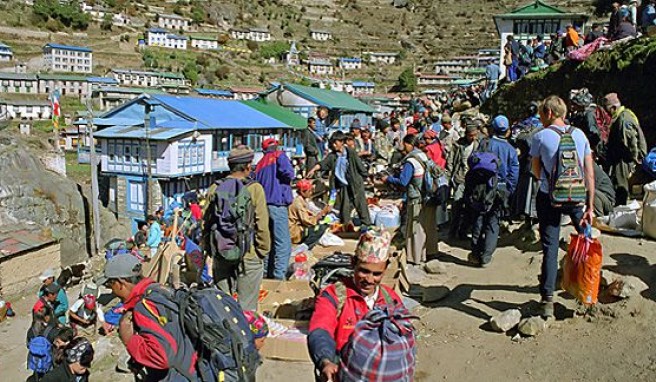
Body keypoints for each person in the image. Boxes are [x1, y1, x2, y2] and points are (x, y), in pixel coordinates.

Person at [308, 229, 408, 382]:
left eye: (376, 274)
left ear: (385, 270)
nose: (369, 279)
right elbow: (320, 330)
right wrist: (326, 361)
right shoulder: (334, 295)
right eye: (363, 271)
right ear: (353, 263)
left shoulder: (390, 298)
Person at [530, 95, 595, 318]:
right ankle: (589, 289)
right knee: (586, 239)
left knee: (550, 248)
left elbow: (536, 172)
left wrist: (550, 182)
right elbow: (589, 173)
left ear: (549, 113)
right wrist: (590, 205)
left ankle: (547, 299)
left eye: (541, 114)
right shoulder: (579, 135)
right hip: (577, 197)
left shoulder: (539, 137)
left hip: (550, 198)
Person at [97, 254, 198, 380]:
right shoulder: (158, 290)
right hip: (193, 366)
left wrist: (129, 339)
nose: (112, 290)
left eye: (110, 284)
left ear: (120, 282)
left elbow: (161, 357)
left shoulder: (143, 306)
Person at [211, 145, 271, 309]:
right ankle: (245, 332)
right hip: (249, 253)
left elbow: (207, 223)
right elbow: (262, 224)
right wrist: (262, 251)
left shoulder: (215, 188)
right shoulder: (254, 188)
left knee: (222, 304)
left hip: (222, 252)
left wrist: (212, 251)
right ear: (247, 166)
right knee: (247, 306)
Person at [469, 116, 519, 268]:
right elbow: (514, 172)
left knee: (478, 218)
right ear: (508, 131)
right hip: (500, 189)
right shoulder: (510, 149)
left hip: (481, 187)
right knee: (493, 222)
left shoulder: (485, 143)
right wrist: (509, 190)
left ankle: (476, 253)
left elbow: (472, 162)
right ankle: (487, 256)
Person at [306, 131, 372, 230]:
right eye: (332, 143)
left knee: (360, 203)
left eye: (335, 142)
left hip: (355, 183)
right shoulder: (333, 156)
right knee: (345, 205)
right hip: (343, 185)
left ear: (341, 142)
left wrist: (367, 177)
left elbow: (360, 166)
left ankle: (366, 224)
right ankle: (346, 224)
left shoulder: (351, 153)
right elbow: (323, 164)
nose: (333, 145)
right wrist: (313, 169)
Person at [255, 138, 294, 280]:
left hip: (263, 207)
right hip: (278, 205)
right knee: (283, 244)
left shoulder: (259, 164)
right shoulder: (279, 156)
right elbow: (289, 173)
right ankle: (279, 277)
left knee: (267, 242)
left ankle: (265, 274)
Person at [602, 93, 647, 205]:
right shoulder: (623, 116)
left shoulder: (623, 118)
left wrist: (635, 159)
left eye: (607, 109)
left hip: (623, 160)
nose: (606, 113)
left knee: (621, 187)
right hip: (621, 158)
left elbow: (630, 140)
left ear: (613, 108)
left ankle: (622, 210)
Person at [447, 123, 480, 239]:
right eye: (471, 135)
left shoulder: (479, 145)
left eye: (475, 135)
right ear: (466, 135)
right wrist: (451, 175)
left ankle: (463, 232)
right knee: (457, 205)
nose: (473, 138)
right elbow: (450, 161)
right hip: (460, 178)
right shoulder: (458, 145)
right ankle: (452, 231)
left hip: (473, 180)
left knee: (470, 208)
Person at [288, 179, 331, 249]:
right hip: (294, 232)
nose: (311, 193)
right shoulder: (298, 203)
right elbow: (307, 221)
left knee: (321, 222)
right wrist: (323, 213)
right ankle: (305, 246)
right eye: (309, 191)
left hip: (297, 228)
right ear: (302, 192)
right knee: (321, 227)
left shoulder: (301, 200)